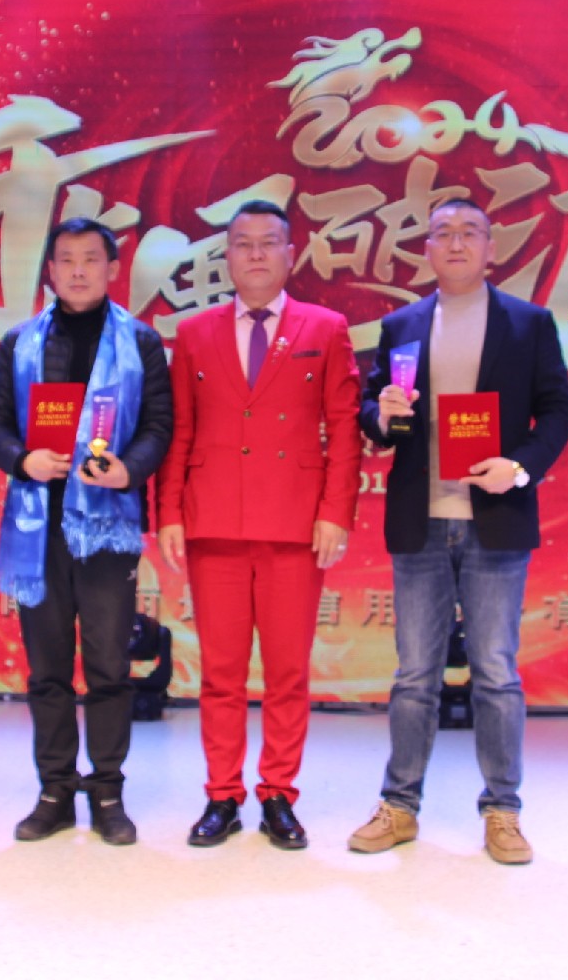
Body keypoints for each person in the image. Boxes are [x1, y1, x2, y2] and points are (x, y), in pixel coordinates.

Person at [347, 197, 568, 865]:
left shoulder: (528, 323)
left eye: (469, 232)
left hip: (495, 521)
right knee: (414, 674)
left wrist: (520, 467)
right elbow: (375, 410)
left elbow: (558, 410)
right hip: (421, 521)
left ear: (490, 248)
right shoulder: (402, 325)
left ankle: (503, 810)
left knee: (496, 673)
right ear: (425, 249)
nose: (455, 243)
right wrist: (381, 413)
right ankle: (399, 806)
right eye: (442, 233)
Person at [156, 200, 362, 850]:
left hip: (294, 524)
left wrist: (335, 513)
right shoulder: (195, 333)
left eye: (268, 242)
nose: (254, 254)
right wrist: (168, 513)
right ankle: (222, 794)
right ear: (226, 255)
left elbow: (345, 429)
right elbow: (180, 429)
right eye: (242, 243)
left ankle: (278, 793)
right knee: (220, 672)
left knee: (287, 672)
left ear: (290, 254)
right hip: (214, 520)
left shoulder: (325, 328)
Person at [0, 217, 172, 846]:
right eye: (66, 259)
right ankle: (55, 790)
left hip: (108, 527)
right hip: (38, 525)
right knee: (47, 668)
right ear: (51, 271)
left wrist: (129, 469)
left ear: (113, 269)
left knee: (109, 665)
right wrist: (22, 459)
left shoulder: (141, 342)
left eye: (92, 258)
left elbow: (159, 426)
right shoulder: (19, 342)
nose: (79, 270)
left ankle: (108, 790)